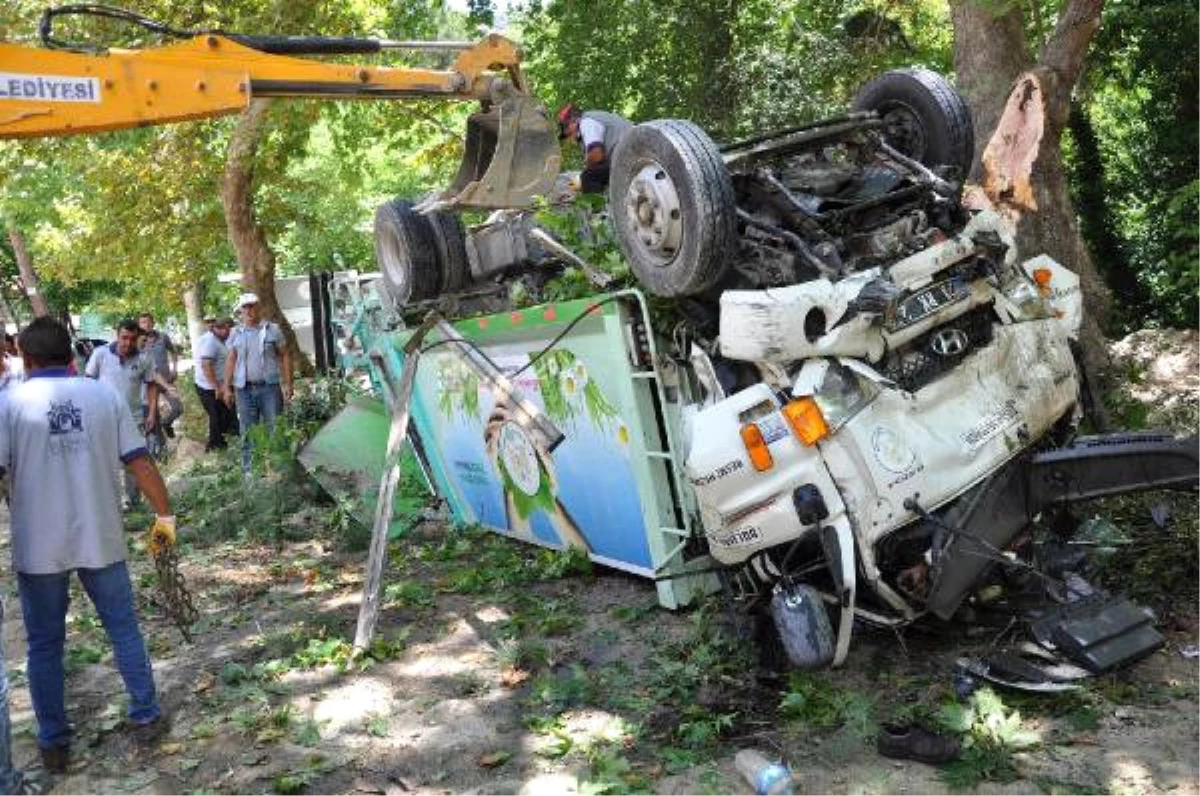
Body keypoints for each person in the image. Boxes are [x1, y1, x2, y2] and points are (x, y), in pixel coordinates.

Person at [0, 317, 175, 777]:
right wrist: (165, 518)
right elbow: (140, 461)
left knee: (44, 645)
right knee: (123, 629)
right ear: (72, 355)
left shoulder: (9, 404)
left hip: (39, 547)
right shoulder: (102, 396)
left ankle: (54, 743)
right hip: (101, 536)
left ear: (26, 355)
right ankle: (146, 714)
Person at [84, 320, 158, 506]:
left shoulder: (144, 358)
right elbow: (88, 383)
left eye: (133, 339)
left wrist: (152, 413)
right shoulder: (100, 354)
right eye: (124, 338)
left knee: (134, 462)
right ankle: (108, 503)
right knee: (105, 462)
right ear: (117, 336)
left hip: (133, 418)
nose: (128, 343)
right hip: (103, 418)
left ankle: (134, 503)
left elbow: (151, 385)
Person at [221, 293, 293, 471]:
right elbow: (231, 359)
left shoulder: (272, 329)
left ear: (259, 307)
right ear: (240, 311)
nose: (249, 310)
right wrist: (226, 387)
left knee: (276, 428)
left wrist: (288, 383)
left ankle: (281, 471)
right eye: (245, 307)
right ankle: (250, 473)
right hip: (244, 389)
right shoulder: (235, 332)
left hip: (269, 387)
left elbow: (285, 355)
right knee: (248, 431)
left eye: (252, 306)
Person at [556, 104, 633, 193]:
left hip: (629, 153)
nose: (569, 139)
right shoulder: (593, 119)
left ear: (573, 121)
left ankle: (596, 205)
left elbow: (596, 155)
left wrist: (581, 177)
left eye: (568, 134)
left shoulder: (586, 122)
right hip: (627, 152)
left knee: (587, 177)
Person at [194, 317, 236, 451]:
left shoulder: (218, 340)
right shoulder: (210, 342)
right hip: (208, 386)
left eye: (229, 329)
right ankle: (214, 446)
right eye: (226, 329)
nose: (229, 332)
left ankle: (228, 436)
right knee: (216, 415)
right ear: (216, 329)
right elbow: (206, 365)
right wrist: (216, 387)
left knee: (227, 411)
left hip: (219, 384)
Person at [136, 313, 177, 383]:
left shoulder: (163, 337)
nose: (147, 325)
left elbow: (173, 352)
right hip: (147, 382)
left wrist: (174, 370)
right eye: (143, 322)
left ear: (153, 323)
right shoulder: (135, 341)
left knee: (174, 393)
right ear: (139, 325)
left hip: (166, 378)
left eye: (149, 322)